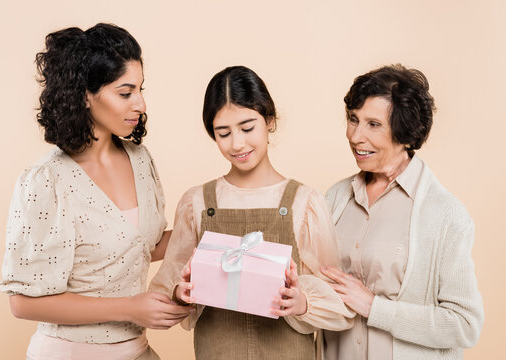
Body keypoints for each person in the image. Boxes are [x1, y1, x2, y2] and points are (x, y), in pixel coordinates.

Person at [0, 23, 192, 360]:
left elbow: (140, 245)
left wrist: (207, 232)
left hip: (137, 350)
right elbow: (22, 302)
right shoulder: (47, 180)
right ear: (86, 95)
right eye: (125, 92)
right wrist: (131, 308)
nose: (141, 104)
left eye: (141, 90)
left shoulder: (140, 159)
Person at [149, 65, 355, 359]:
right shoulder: (196, 202)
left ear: (269, 121)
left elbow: (340, 305)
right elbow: (166, 287)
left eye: (247, 128)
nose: (237, 143)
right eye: (223, 133)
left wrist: (302, 302)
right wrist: (179, 294)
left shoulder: (304, 203)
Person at [320, 64, 484, 359]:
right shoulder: (334, 198)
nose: (356, 136)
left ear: (406, 134)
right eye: (353, 119)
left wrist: (374, 308)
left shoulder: (446, 216)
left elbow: (464, 325)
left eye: (373, 124)